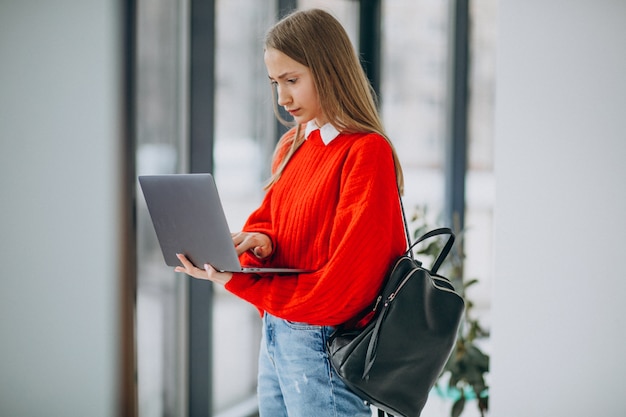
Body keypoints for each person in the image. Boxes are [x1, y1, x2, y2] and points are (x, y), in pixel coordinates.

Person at [175, 8, 407, 417]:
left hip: (322, 342)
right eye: (274, 83)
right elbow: (272, 221)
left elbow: (346, 286)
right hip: (278, 333)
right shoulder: (292, 146)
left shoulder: (366, 152)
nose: (281, 97)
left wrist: (240, 281)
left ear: (330, 71)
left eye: (291, 80)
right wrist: (261, 241)